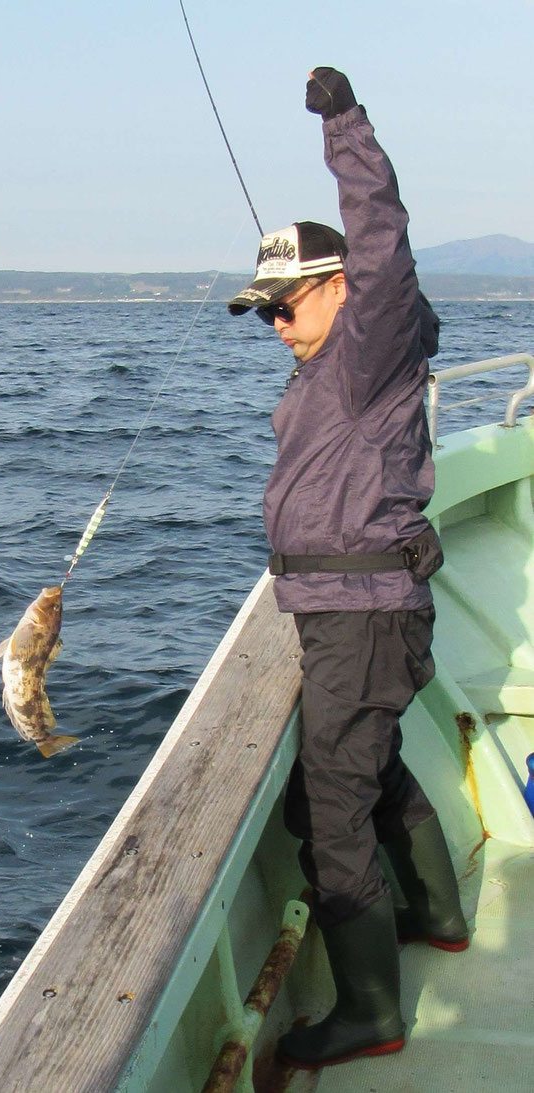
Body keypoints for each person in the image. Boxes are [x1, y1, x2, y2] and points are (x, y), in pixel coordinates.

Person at [228, 68, 469, 1070]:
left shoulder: (368, 344)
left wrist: (343, 122)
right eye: (263, 312)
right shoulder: (324, 374)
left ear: (341, 290)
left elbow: (380, 235)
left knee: (330, 811)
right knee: (372, 778)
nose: (276, 322)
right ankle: (437, 914)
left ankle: (371, 1009)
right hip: (351, 613)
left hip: (360, 616)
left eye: (288, 302)